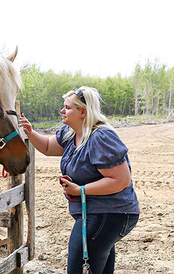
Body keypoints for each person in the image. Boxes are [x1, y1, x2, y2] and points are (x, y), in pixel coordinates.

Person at [19, 86, 139, 274]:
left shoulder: (100, 137)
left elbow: (121, 180)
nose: (62, 111)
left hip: (108, 214)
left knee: (78, 270)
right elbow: (49, 147)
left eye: (67, 107)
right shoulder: (71, 133)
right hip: (98, 214)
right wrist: (30, 132)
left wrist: (80, 190)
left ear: (83, 111)